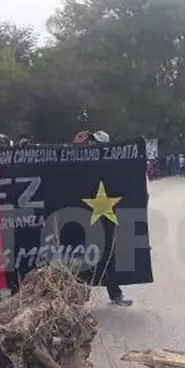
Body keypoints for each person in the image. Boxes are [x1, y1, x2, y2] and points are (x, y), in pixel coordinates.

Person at [72, 130, 131, 306]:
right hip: (81, 214)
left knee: (107, 255)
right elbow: (66, 163)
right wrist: (76, 145)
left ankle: (115, 294)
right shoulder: (80, 160)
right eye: (90, 142)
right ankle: (77, 297)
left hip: (105, 214)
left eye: (96, 142)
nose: (91, 146)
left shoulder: (113, 164)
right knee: (80, 254)